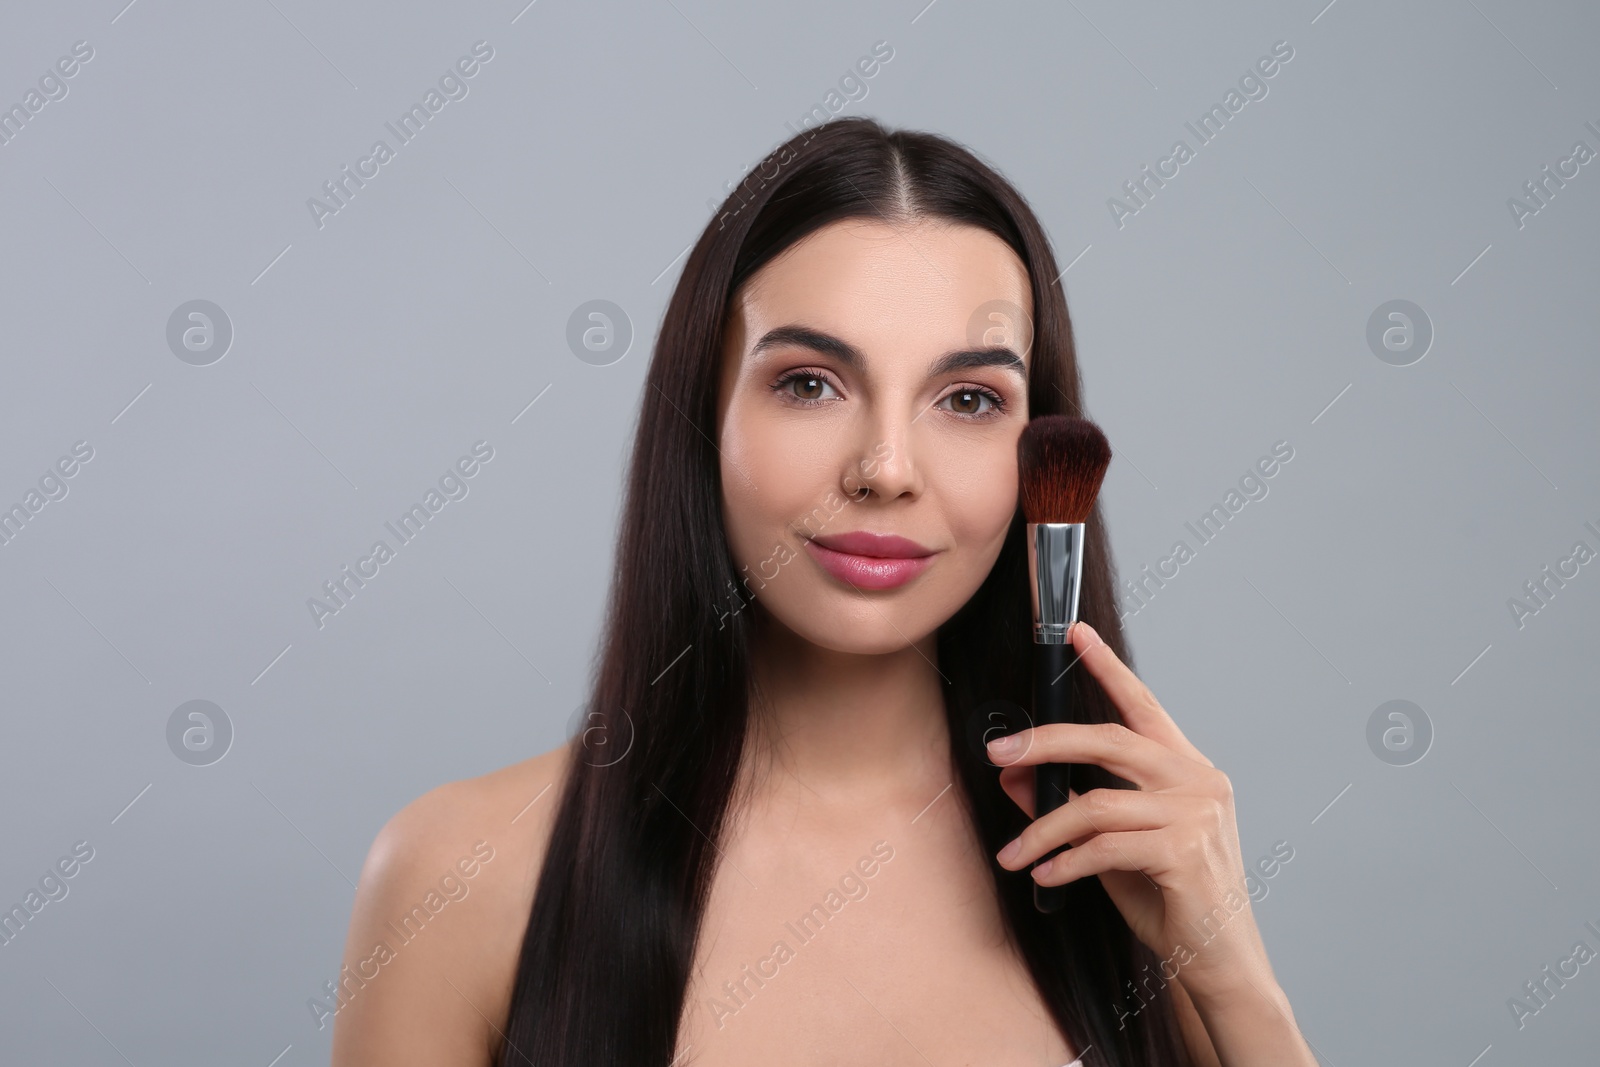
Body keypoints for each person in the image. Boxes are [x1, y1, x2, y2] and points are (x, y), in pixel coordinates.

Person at [330, 117, 1316, 1066]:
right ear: (703, 418)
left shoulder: (1139, 878)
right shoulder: (457, 877)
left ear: (1039, 452)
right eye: (808, 383)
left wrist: (1239, 982)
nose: (885, 468)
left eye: (968, 399)